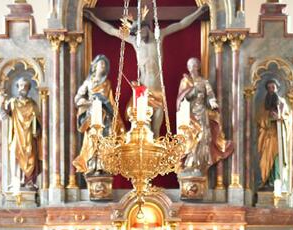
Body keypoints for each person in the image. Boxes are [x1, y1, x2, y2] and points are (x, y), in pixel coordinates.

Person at [84, 4, 209, 134]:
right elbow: (111, 30)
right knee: (145, 130)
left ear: (146, 28)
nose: (138, 36)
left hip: (158, 91)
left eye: (139, 32)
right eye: (135, 34)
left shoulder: (159, 37)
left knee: (156, 130)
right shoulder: (135, 42)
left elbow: (181, 24)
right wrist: (94, 19)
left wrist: (198, 13)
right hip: (143, 91)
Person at [177, 57, 231, 174]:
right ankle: (190, 163)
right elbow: (182, 98)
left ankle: (199, 163)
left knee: (203, 137)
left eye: (194, 65)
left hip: (202, 112)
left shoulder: (204, 81)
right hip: (190, 114)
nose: (192, 68)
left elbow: (210, 94)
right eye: (190, 66)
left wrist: (212, 102)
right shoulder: (185, 81)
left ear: (198, 67)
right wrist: (192, 90)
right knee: (192, 137)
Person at [73, 54, 116, 176]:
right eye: (100, 64)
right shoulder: (88, 83)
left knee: (103, 141)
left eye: (104, 65)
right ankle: (91, 165)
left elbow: (111, 101)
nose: (102, 66)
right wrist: (89, 102)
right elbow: (78, 99)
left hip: (104, 117)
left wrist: (109, 108)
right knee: (92, 139)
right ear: (95, 66)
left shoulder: (107, 83)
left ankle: (102, 166)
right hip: (91, 116)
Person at [0, 78, 42, 190]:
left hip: (29, 136)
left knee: (30, 157)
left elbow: (39, 121)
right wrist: (1, 103)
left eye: (26, 86)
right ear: (17, 87)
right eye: (21, 85)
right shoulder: (12, 103)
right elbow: (3, 116)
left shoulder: (33, 104)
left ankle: (28, 182)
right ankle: (15, 180)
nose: (23, 88)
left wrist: (37, 130)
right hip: (17, 135)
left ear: (29, 88)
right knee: (15, 154)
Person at [257, 79, 291, 191]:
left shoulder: (282, 103)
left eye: (273, 87)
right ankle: (267, 181)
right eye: (269, 88)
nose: (271, 90)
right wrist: (268, 116)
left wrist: (280, 117)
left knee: (277, 158)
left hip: (279, 135)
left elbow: (287, 118)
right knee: (266, 159)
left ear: (277, 88)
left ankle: (278, 181)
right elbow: (260, 119)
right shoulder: (263, 105)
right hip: (268, 136)